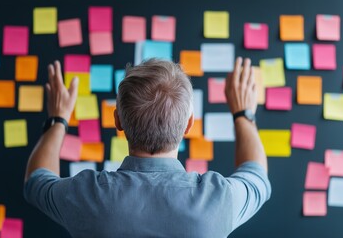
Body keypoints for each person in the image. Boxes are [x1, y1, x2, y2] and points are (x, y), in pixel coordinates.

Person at [24, 57, 271, 238]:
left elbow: (36, 180)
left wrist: (58, 119)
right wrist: (243, 113)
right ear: (189, 125)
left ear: (117, 121)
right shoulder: (219, 198)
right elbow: (256, 174)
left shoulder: (85, 194)